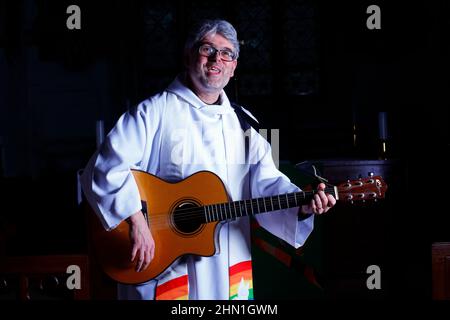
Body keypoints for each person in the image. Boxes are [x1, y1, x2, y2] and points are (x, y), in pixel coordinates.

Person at [80, 19, 336, 300]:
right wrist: (138, 222)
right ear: (189, 54)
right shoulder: (152, 112)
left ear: (234, 67)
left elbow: (269, 180)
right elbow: (102, 168)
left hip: (228, 259)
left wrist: (302, 206)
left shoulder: (248, 123)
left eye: (227, 53)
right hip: (162, 260)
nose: (217, 59)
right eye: (208, 49)